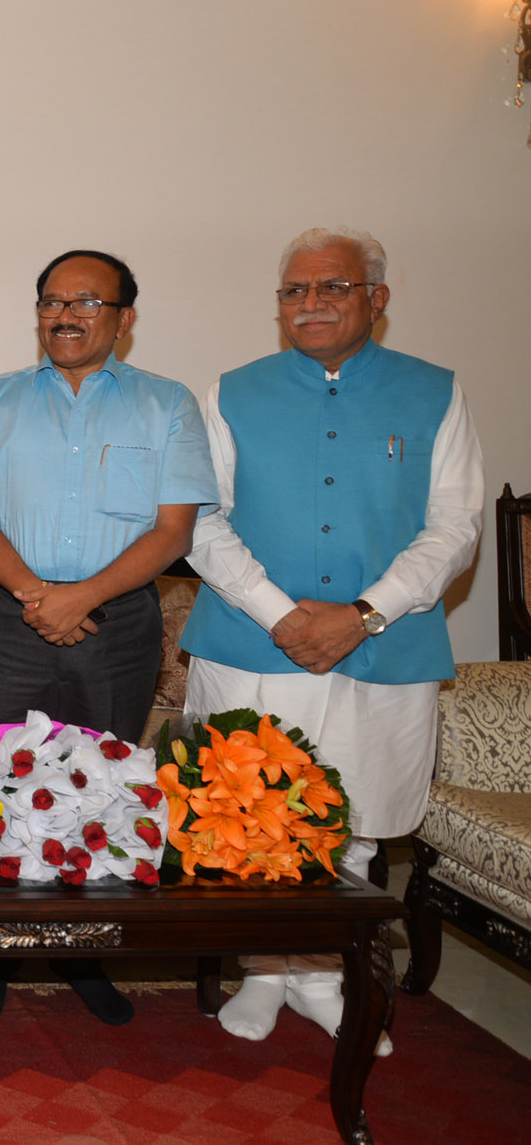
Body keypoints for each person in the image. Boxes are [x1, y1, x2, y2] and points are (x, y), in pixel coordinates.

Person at [179, 226, 483, 1051]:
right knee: (249, 812)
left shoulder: (434, 392)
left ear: (374, 298)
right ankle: (265, 970)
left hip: (380, 644)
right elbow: (198, 520)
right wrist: (280, 611)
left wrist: (363, 611)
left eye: (331, 287)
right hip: (252, 639)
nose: (309, 303)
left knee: (347, 817)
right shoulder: (230, 391)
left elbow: (455, 526)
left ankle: (321, 974)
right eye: (293, 291)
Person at [0, 249, 217, 1024]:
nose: (63, 314)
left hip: (119, 619)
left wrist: (82, 597)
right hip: (9, 615)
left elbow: (174, 531)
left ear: (123, 318)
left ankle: (84, 955)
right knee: (0, 783)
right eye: (49, 301)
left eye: (85, 301)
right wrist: (38, 595)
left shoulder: (165, 405)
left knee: (101, 785)